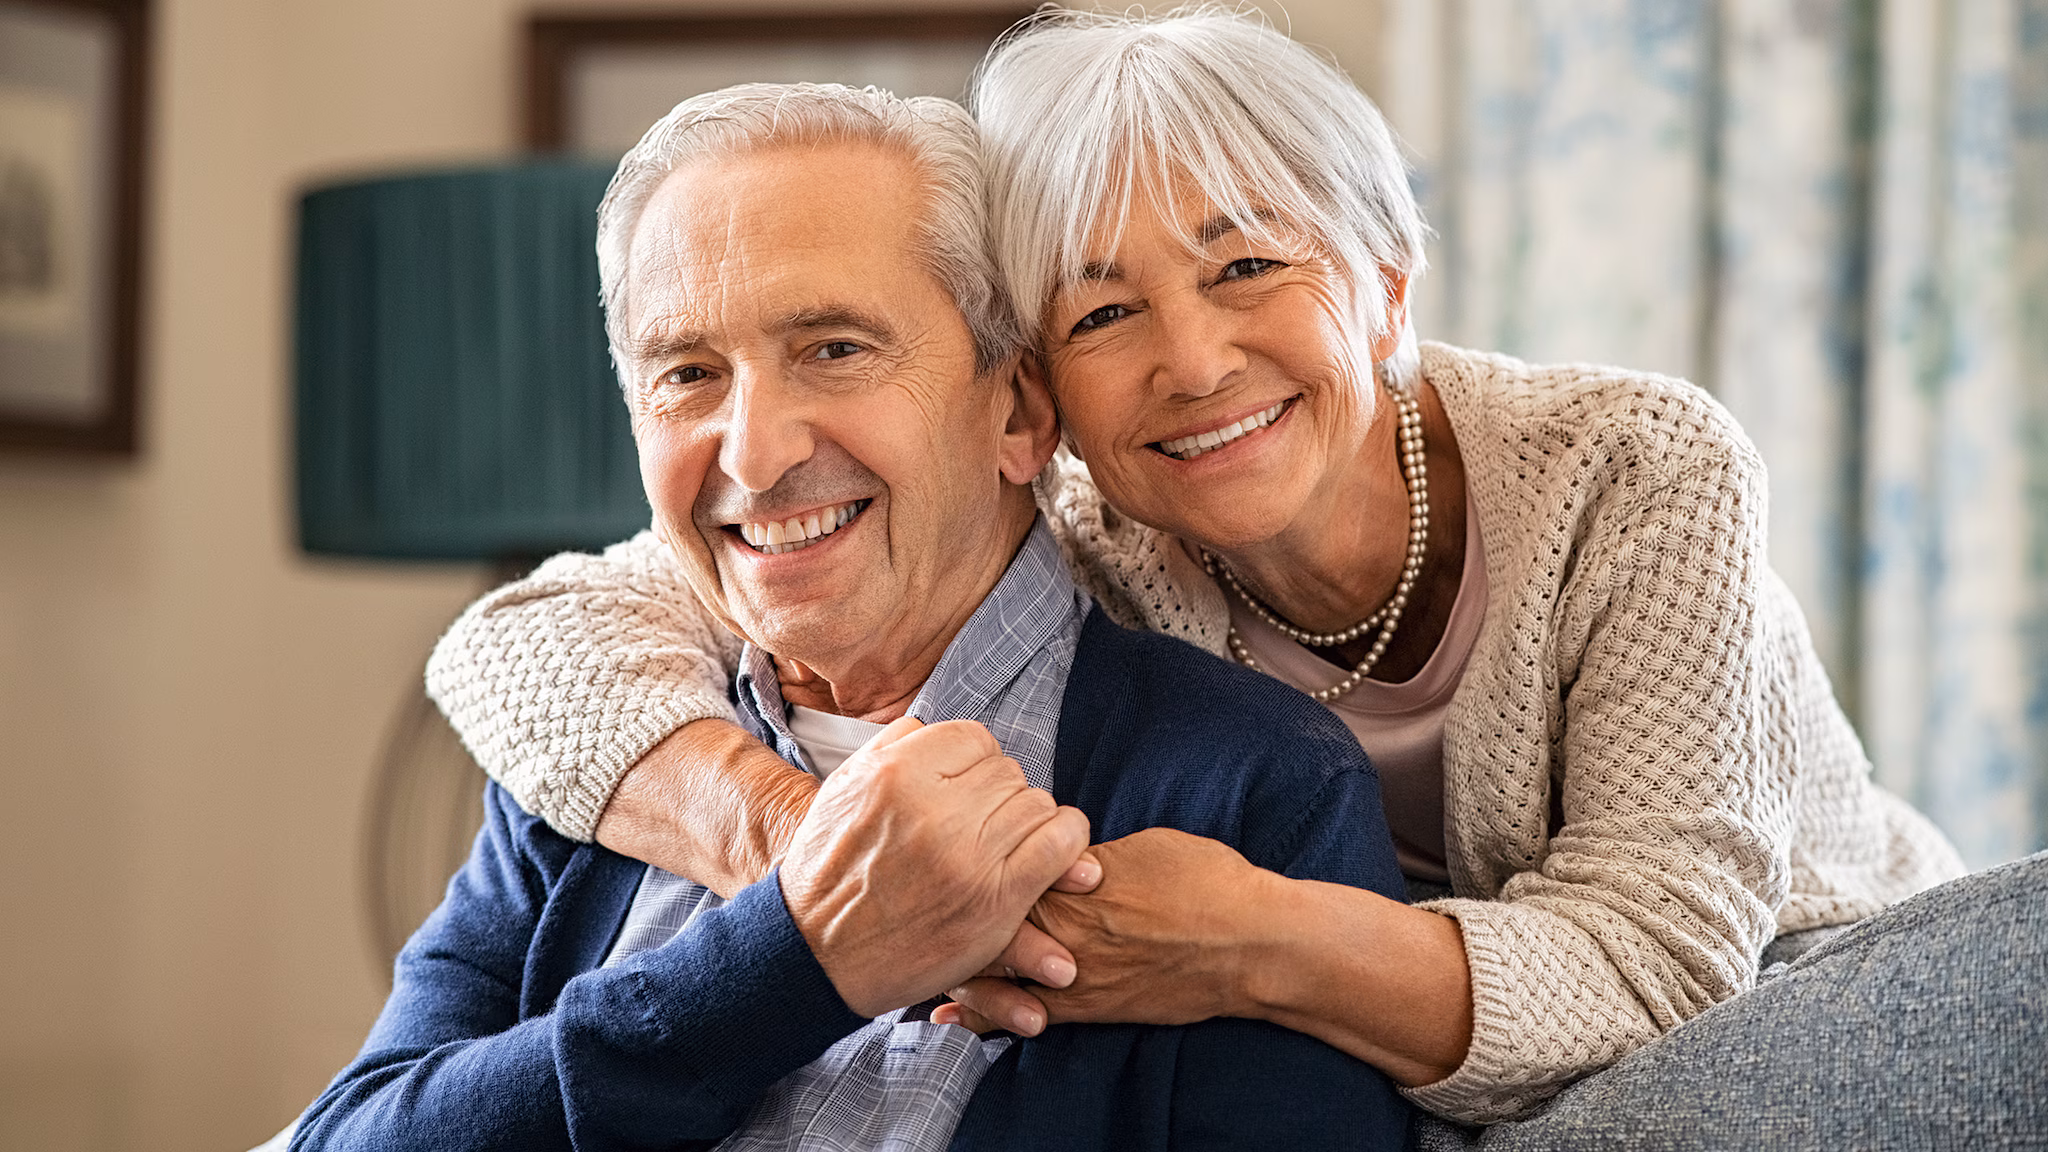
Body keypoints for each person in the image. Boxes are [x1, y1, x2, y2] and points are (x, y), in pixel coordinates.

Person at [428, 9, 2047, 1145]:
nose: (1192, 361)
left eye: (1248, 265)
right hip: (1423, 1062)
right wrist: (806, 850)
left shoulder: (1630, 469)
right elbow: (530, 641)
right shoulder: (1078, 518)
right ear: (1035, 394)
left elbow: (1660, 963)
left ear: (1386, 284)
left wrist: (1252, 939)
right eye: (1102, 309)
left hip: (1773, 996)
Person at [294, 81, 1415, 1152]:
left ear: (1017, 412)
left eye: (834, 349)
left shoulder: (1248, 788)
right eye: (686, 374)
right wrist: (790, 961)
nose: (753, 452)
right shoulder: (604, 764)